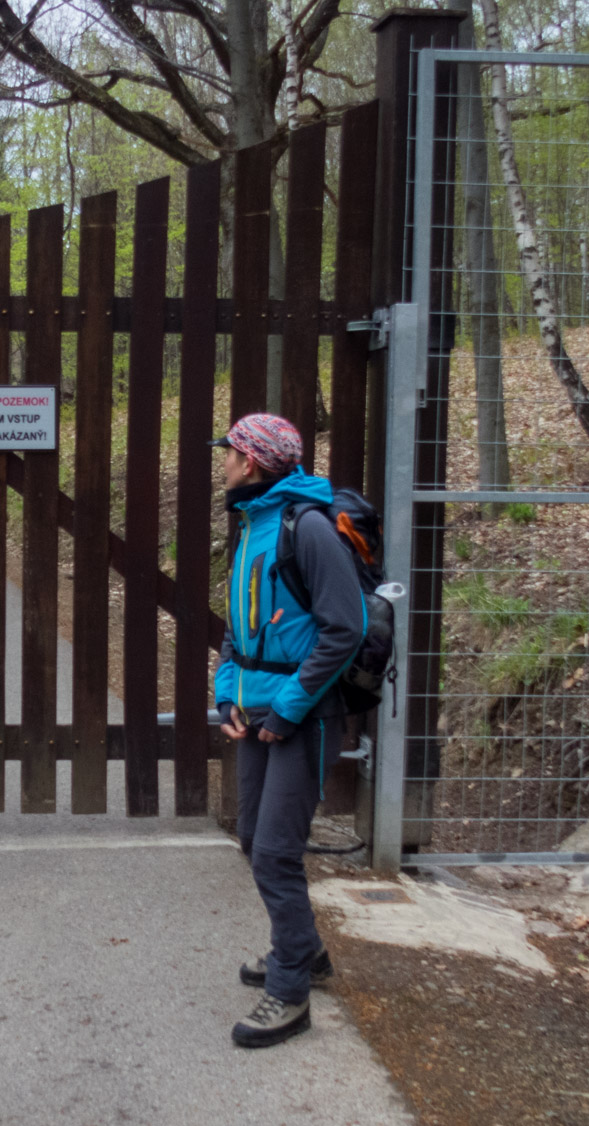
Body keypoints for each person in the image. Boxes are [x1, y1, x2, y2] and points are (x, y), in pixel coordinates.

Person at [211, 413, 368, 1047]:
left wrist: (290, 709)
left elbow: (345, 628)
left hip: (302, 715)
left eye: (228, 453)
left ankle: (291, 992)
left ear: (250, 463)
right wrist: (229, 698)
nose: (221, 462)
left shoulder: (307, 530)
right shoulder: (254, 525)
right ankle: (305, 950)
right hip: (259, 710)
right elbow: (238, 629)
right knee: (253, 836)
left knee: (276, 849)